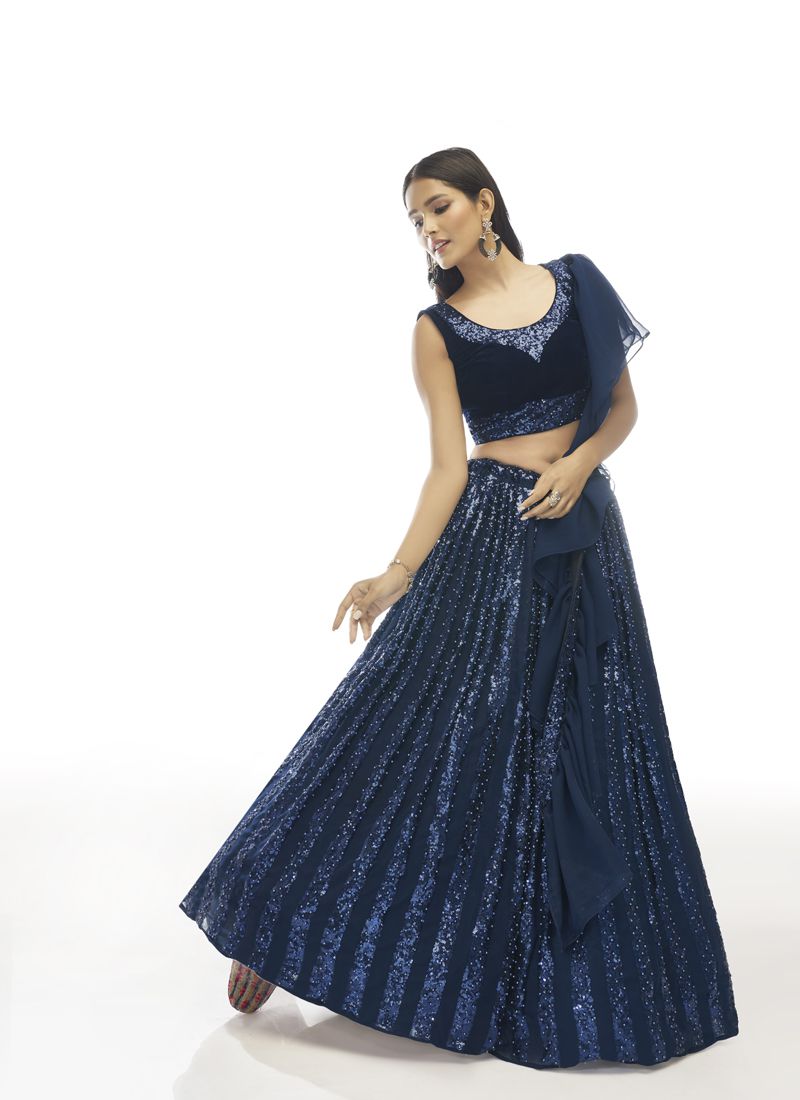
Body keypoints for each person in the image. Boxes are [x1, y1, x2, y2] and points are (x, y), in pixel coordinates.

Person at [179, 147, 739, 1069]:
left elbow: (622, 409)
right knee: (415, 726)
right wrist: (397, 571)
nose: (428, 229)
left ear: (486, 204)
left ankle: (549, 961)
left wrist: (580, 463)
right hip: (488, 536)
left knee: (590, 736)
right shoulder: (435, 331)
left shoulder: (577, 282)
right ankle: (277, 919)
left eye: (438, 207)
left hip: (584, 535)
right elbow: (448, 466)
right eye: (415, 220)